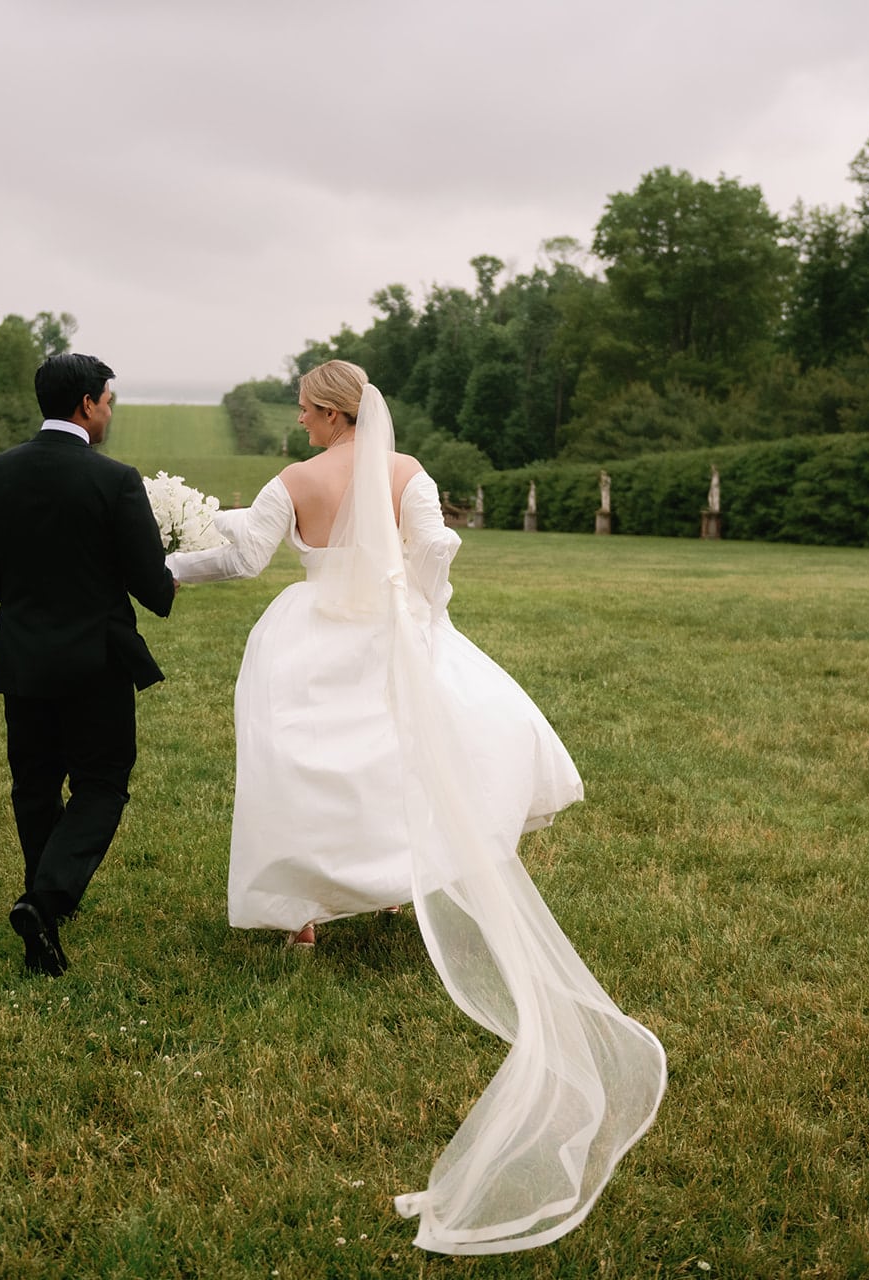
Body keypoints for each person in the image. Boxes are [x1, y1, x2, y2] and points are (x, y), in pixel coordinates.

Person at [166, 360, 665, 1254]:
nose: (303, 427)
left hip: (312, 634)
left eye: (308, 415)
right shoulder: (409, 473)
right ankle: (397, 883)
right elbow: (435, 549)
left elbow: (244, 558)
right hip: (393, 633)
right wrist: (421, 614)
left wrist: (167, 564)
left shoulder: (293, 481)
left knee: (309, 770)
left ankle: (308, 916)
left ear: (327, 412)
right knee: (395, 764)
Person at [0, 353, 176, 977]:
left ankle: (43, 898)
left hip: (23, 653)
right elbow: (151, 585)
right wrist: (171, 576)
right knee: (102, 783)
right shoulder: (115, 479)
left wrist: (34, 602)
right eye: (108, 400)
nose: (110, 410)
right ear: (86, 404)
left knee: (34, 783)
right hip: (96, 658)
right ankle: (45, 899)